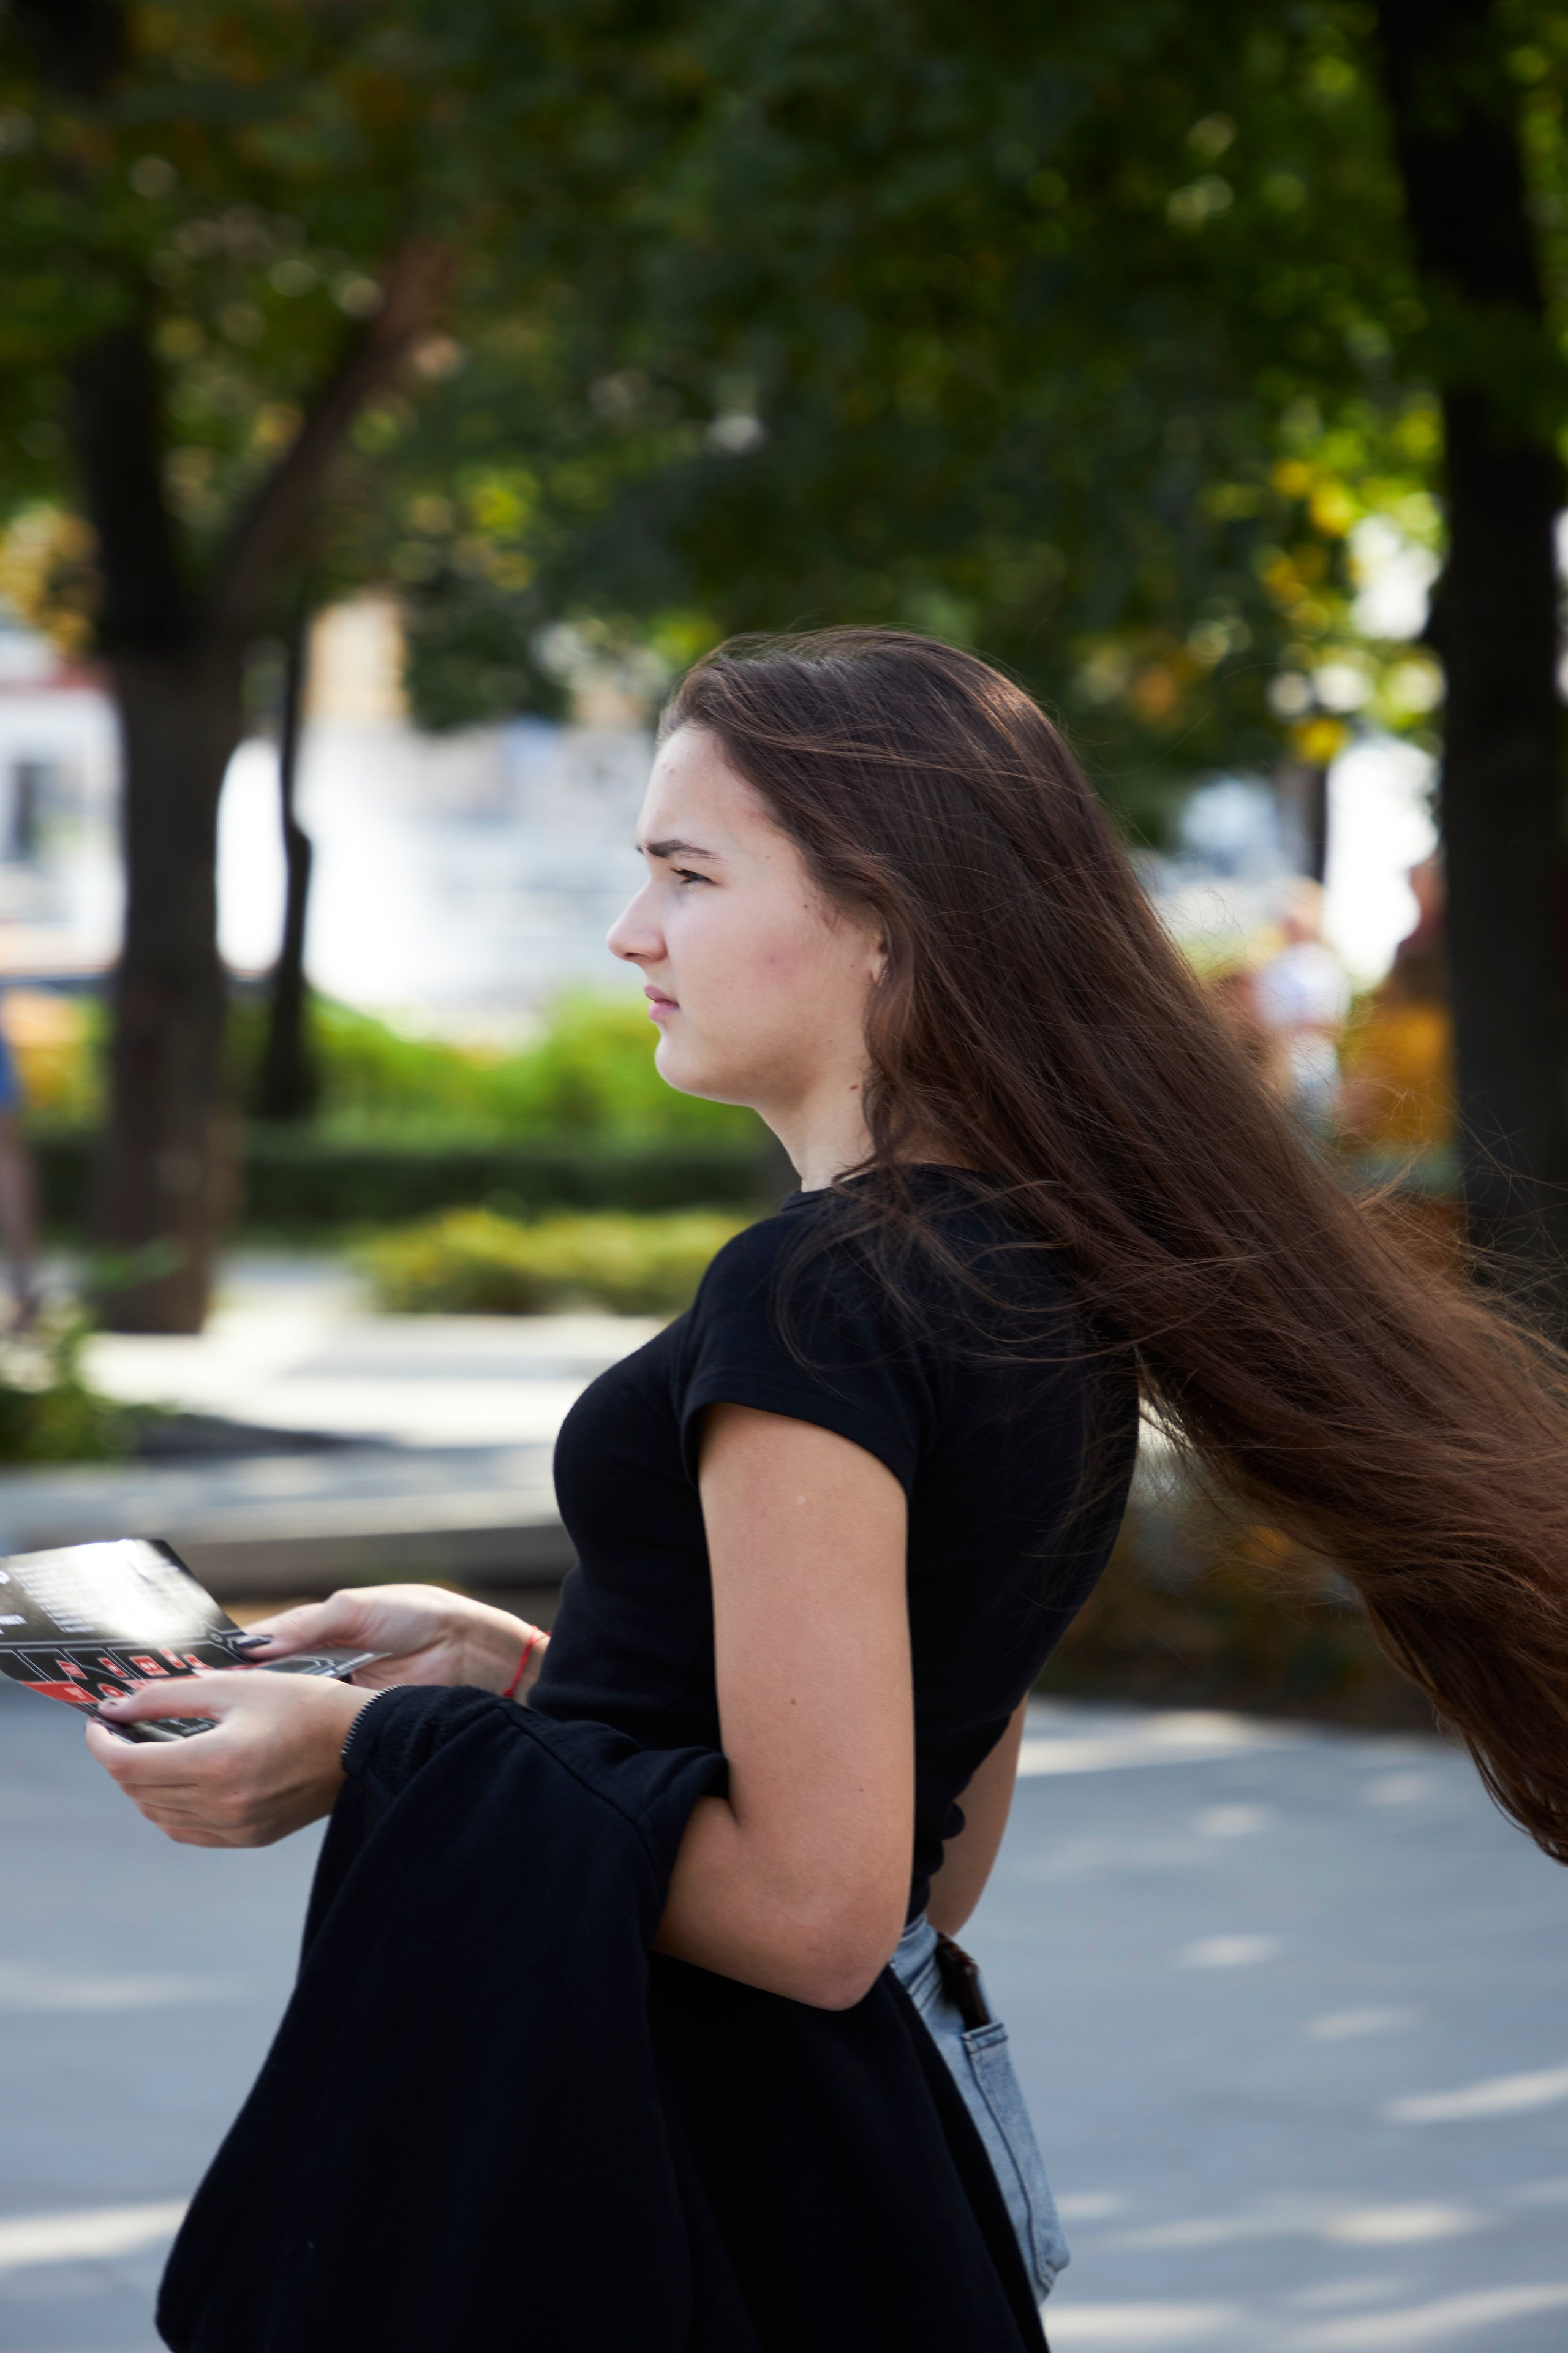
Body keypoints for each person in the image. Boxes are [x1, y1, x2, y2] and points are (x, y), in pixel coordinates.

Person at [86, 631, 1568, 2338]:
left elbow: (814, 1910)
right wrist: (517, 1676)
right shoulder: (1040, 1275)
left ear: (887, 916)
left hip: (675, 2184)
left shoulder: (820, 1296)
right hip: (848, 2178)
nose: (630, 931)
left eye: (686, 873)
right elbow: (918, 1858)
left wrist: (370, 1748)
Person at [1253, 875, 1351, 1124]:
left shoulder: (1326, 964)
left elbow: (1333, 1022)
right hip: (1282, 1063)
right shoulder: (1275, 964)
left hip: (1316, 1065)